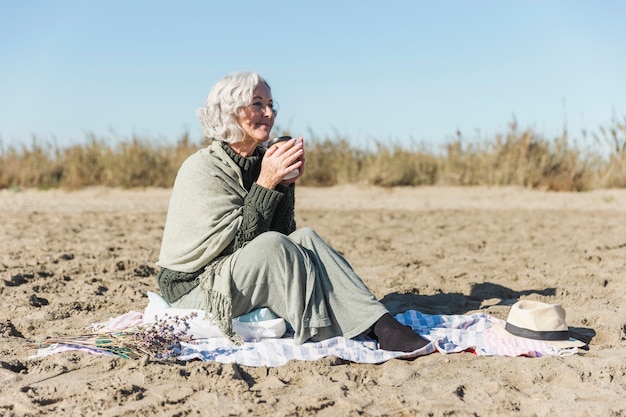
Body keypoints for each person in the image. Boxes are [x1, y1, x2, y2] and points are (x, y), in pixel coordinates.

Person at [156, 71, 429, 352]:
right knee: (272, 246)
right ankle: (327, 326)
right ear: (231, 112)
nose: (268, 113)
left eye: (271, 104)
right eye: (257, 104)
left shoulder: (262, 160)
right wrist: (267, 183)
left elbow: (285, 236)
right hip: (198, 287)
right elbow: (247, 248)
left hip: (239, 271)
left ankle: (382, 324)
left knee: (306, 237)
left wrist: (284, 186)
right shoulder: (203, 168)